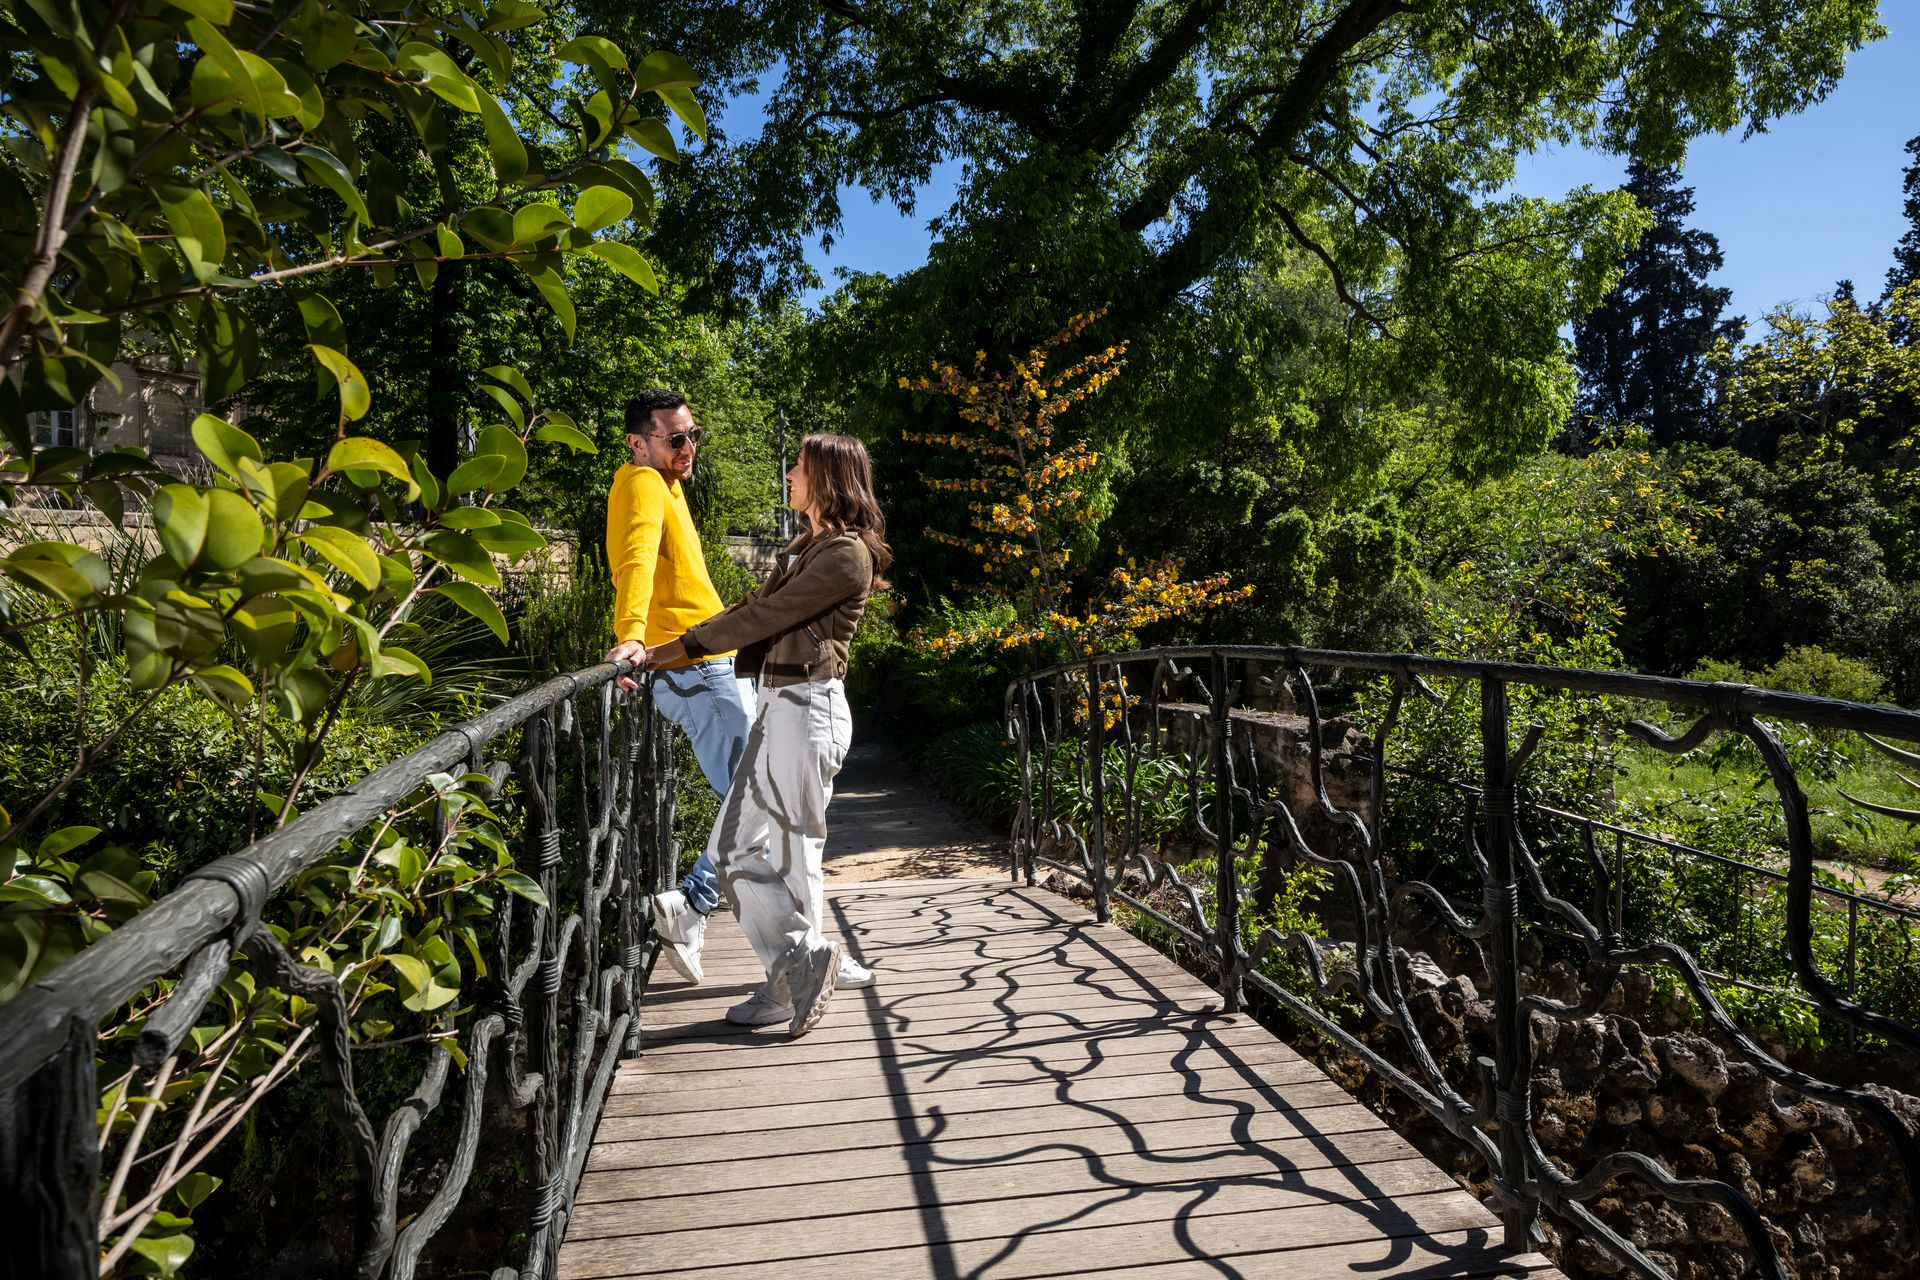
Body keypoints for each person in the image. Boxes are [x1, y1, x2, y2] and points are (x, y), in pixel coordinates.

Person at [603, 394, 875, 991]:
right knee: (770, 818)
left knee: (758, 813)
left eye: (692, 434)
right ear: (639, 443)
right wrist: (632, 638)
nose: (688, 447)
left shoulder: (669, 485)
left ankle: (697, 911)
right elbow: (635, 562)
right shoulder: (646, 484)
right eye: (676, 439)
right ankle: (802, 956)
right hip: (698, 667)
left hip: (708, 663)